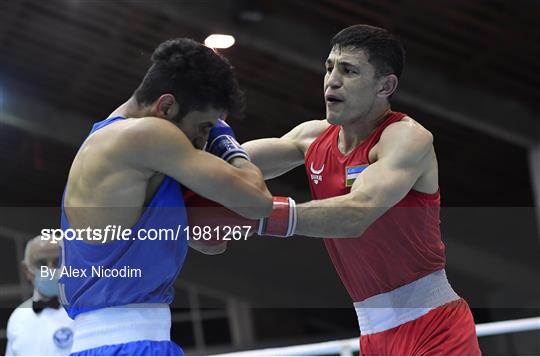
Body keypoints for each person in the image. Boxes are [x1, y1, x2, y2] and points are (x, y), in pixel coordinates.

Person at [240, 24, 482, 355]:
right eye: (329, 67)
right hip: (373, 337)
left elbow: (357, 213)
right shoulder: (310, 137)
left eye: (349, 70)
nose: (332, 80)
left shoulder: (407, 138)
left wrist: (262, 217)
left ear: (386, 85)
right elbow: (232, 167)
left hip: (434, 327)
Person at [59, 38, 295, 356]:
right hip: (129, 344)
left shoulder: (116, 143)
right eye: (203, 126)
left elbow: (210, 241)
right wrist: (225, 141)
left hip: (113, 340)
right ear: (166, 106)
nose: (203, 139)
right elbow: (257, 201)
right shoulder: (147, 134)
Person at [6, 235, 74, 355]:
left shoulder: (86, 312)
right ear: (26, 270)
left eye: (57, 262)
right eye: (41, 263)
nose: (50, 269)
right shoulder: (18, 317)